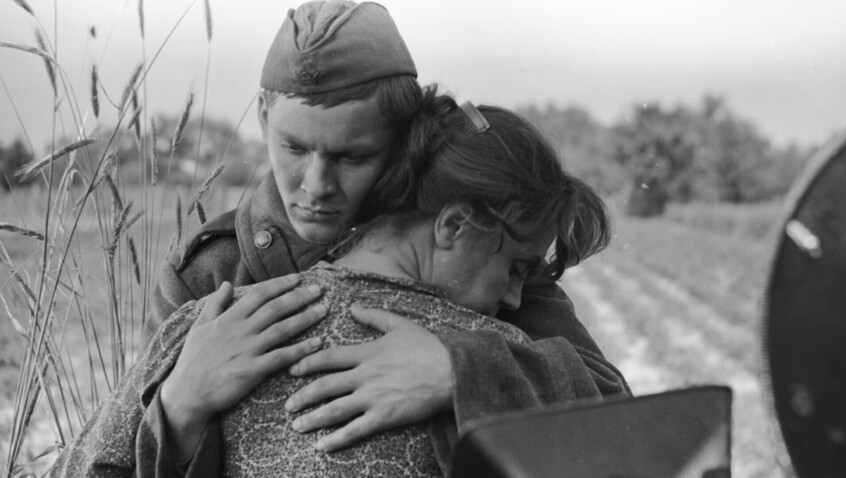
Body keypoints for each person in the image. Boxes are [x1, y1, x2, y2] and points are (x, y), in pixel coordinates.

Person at [50, 90, 615, 477]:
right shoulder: (514, 350)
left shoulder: (202, 326)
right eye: (517, 266)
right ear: (454, 224)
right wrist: (178, 406)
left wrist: (457, 372)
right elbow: (634, 444)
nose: (517, 296)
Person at [148, 0, 627, 456]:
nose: (315, 186)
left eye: (352, 156)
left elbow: (614, 410)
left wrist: (459, 371)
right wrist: (179, 404)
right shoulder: (211, 273)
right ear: (262, 116)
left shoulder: (484, 251)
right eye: (294, 148)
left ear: (403, 141)